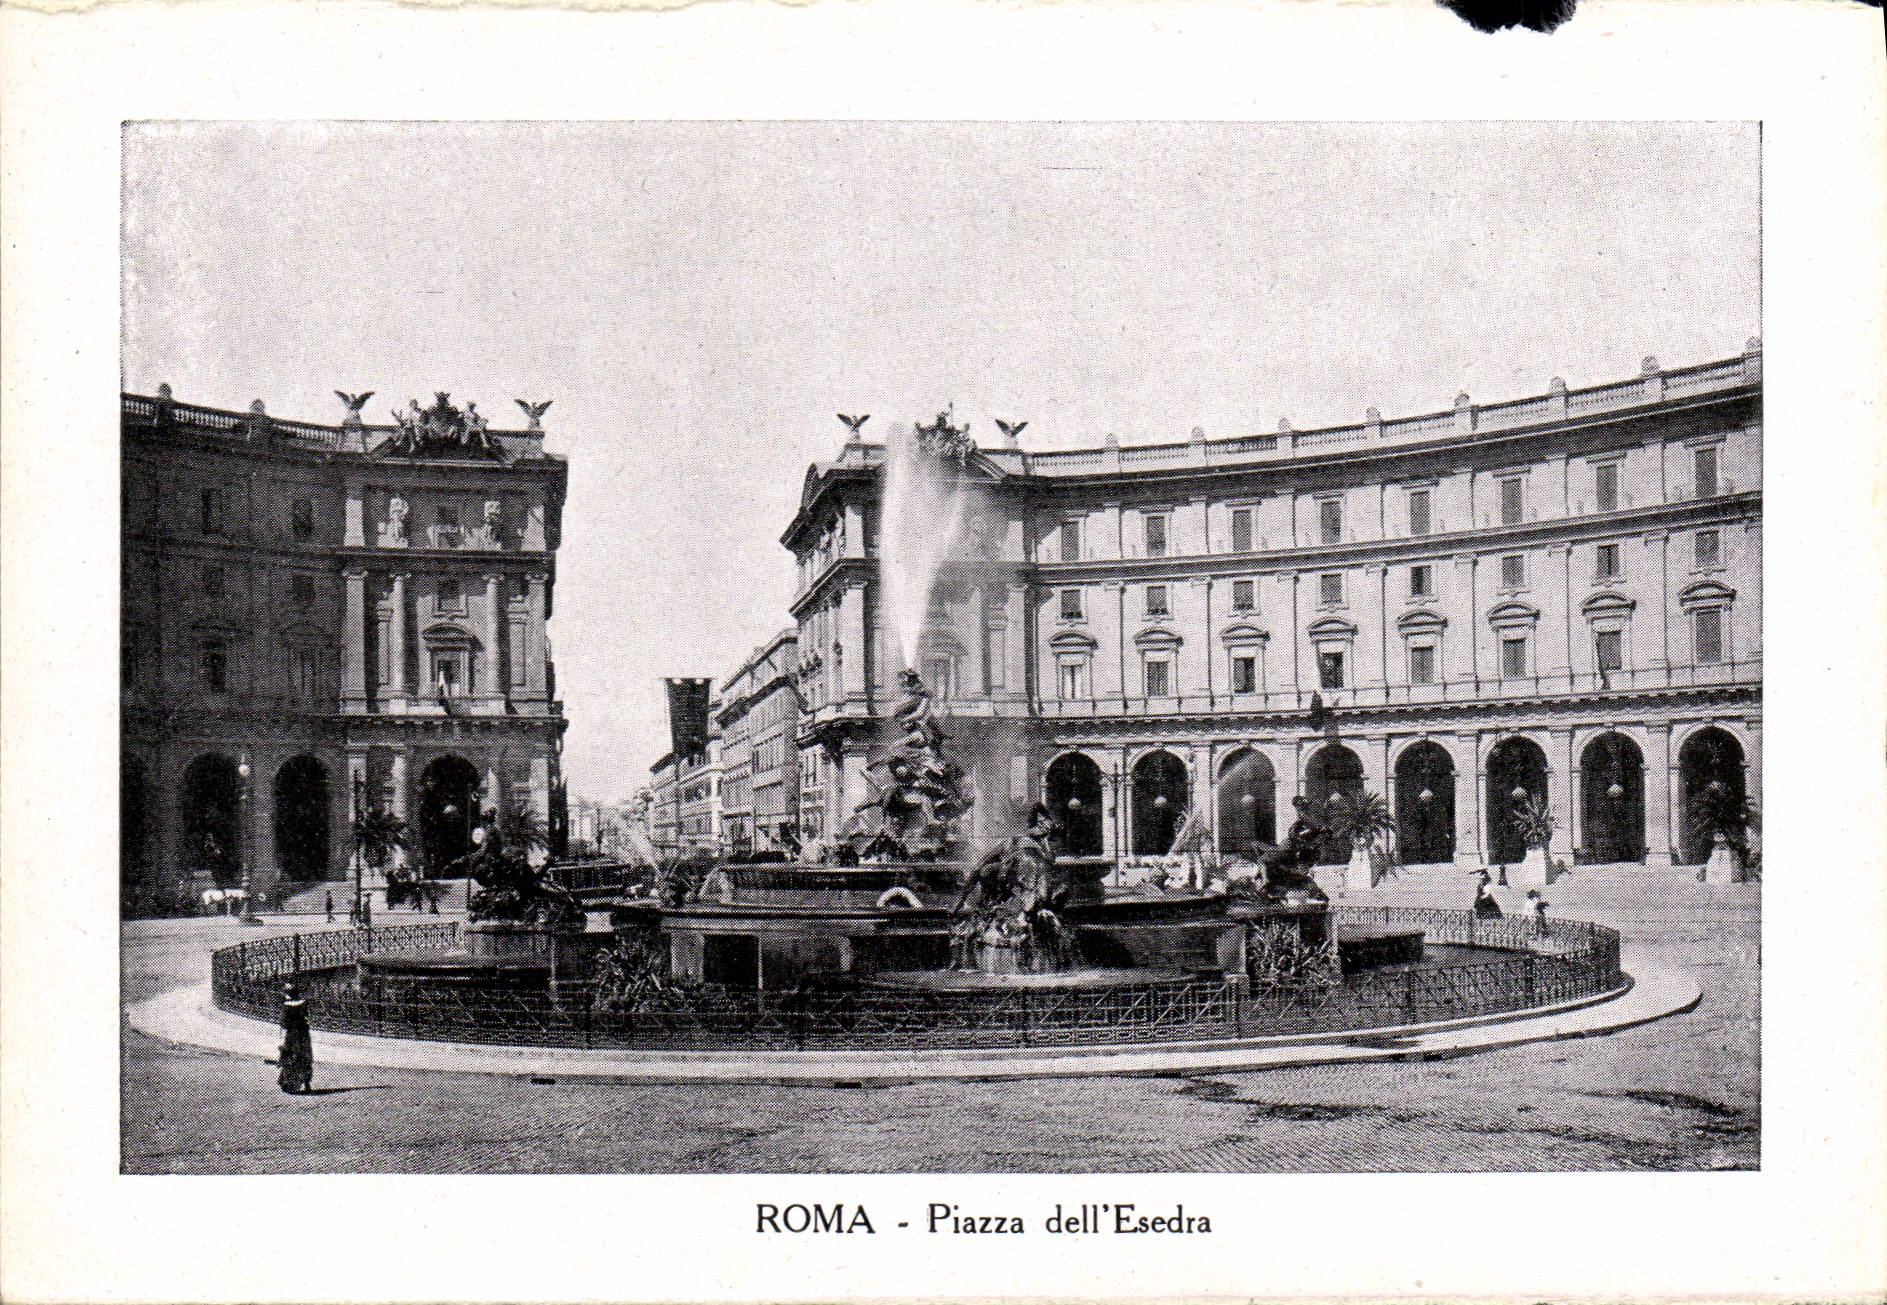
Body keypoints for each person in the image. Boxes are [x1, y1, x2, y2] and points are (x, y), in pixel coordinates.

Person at [277, 981, 313, 1094]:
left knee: (289, 1055)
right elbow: (307, 1017)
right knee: (304, 1056)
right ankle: (307, 1082)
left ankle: (288, 1081)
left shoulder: (286, 1006)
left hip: (291, 1035)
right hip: (303, 1034)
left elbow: (283, 1024)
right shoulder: (303, 1003)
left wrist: (281, 1038)